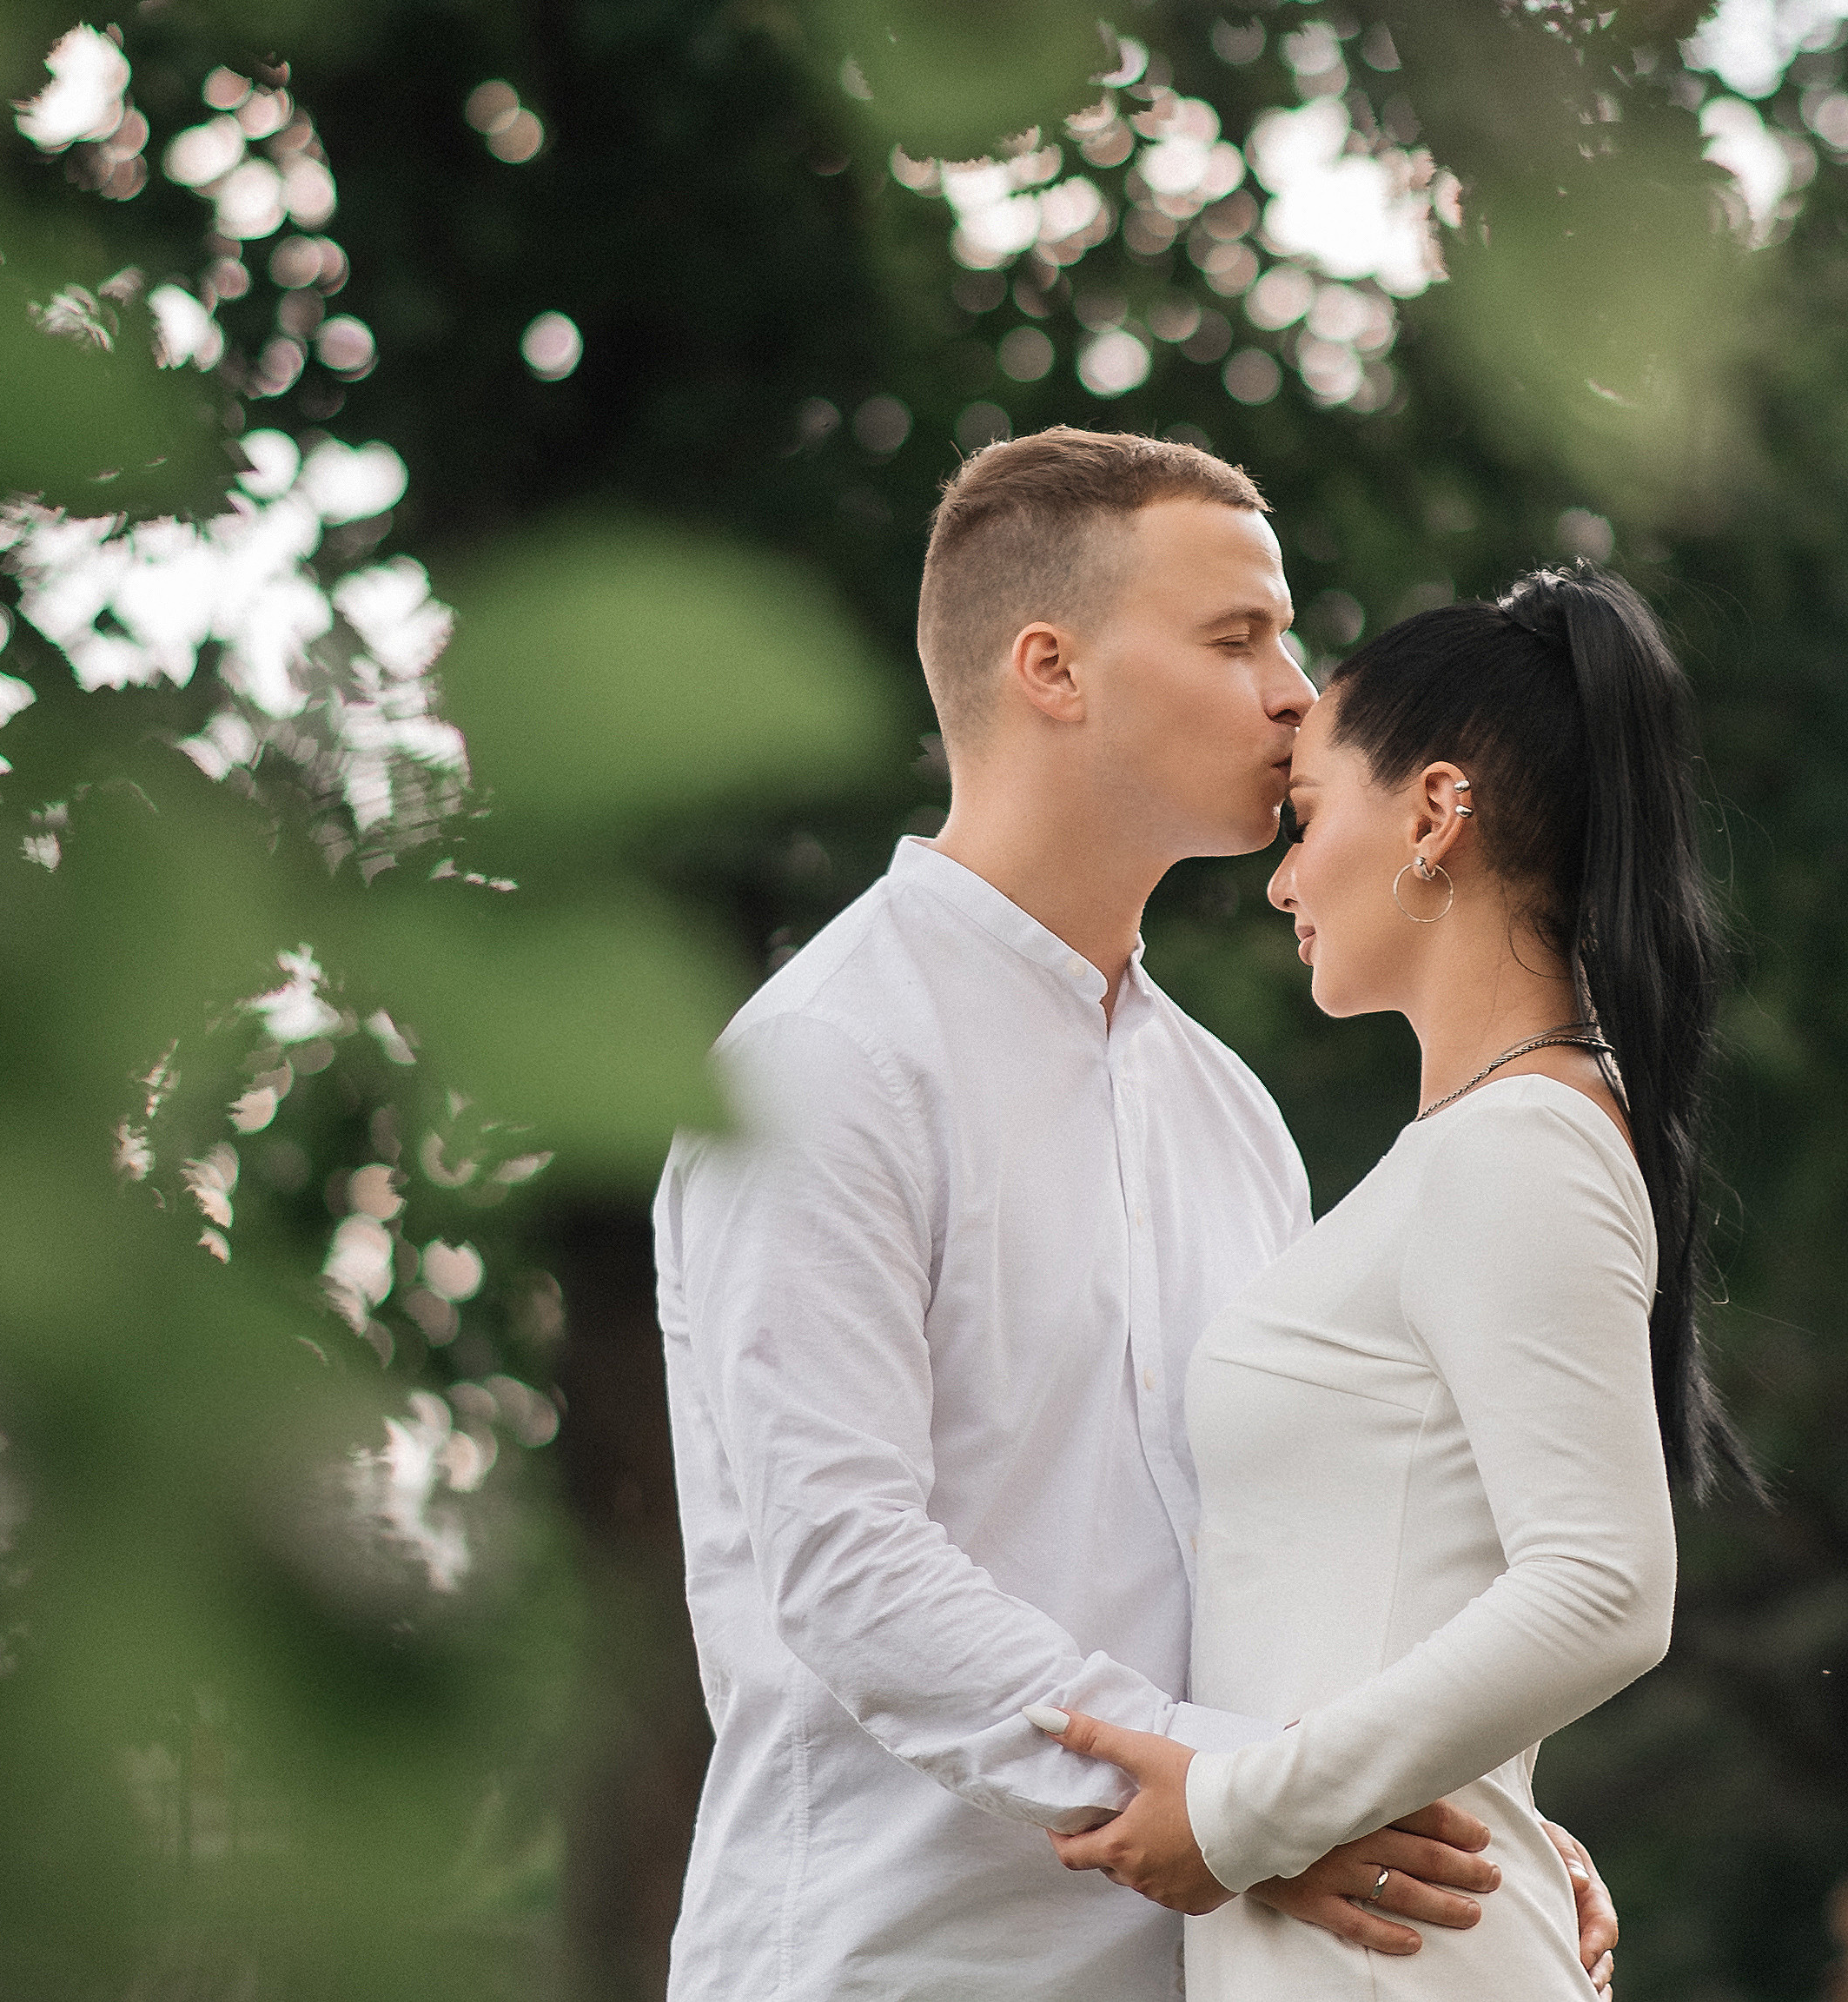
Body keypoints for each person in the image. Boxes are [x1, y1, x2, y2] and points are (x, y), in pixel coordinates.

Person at [654, 431, 1617, 2001]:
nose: (1297, 693)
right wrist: (1263, 1794)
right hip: (888, 1964)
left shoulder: (1231, 1114)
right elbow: (843, 1560)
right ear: (1053, 668)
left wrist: (1453, 1811)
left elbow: (1293, 1555)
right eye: (1237, 637)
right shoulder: (822, 1061)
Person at [1039, 566, 1749, 1993]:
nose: (1282, 878)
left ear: (1431, 816)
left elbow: (1605, 1585)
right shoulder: (1475, 1150)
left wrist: (1241, 1812)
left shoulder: (1523, 1145)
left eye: (1305, 819)